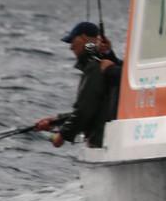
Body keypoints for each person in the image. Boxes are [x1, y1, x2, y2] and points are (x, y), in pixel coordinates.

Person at [35, 21, 122, 149]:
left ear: (83, 38)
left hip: (103, 142)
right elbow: (92, 108)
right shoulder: (101, 64)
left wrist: (63, 135)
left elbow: (85, 110)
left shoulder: (94, 67)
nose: (71, 47)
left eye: (72, 41)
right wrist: (55, 121)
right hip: (109, 139)